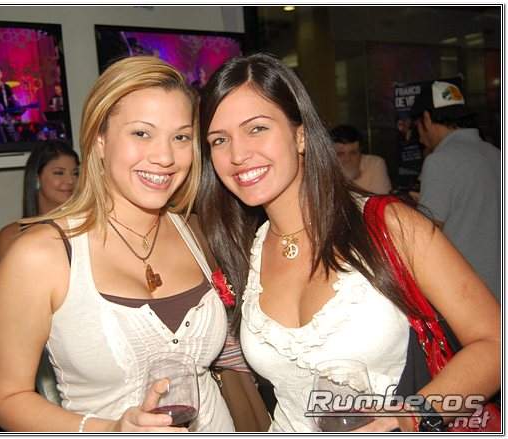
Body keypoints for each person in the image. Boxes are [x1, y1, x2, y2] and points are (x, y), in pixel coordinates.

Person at [195, 54, 499, 432]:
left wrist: (413, 416)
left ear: (300, 135)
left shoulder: (389, 225)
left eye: (256, 128)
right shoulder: (240, 248)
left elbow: (494, 343)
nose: (238, 155)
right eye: (219, 140)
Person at [0, 56, 237, 432]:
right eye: (142, 133)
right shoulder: (41, 255)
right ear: (100, 140)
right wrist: (110, 430)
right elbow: (7, 399)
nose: (165, 157)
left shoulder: (198, 232)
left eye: (181, 137)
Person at [410, 80, 501, 301]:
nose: (419, 138)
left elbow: (428, 233)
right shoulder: (495, 153)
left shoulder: (440, 161)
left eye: (417, 126)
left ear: (427, 118)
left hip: (468, 292)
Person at [0, 141, 80, 265]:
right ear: (37, 177)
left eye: (75, 173)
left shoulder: (83, 229)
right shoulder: (10, 236)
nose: (70, 180)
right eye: (59, 173)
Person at [330, 124, 392, 194]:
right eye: (340, 154)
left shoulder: (375, 164)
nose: (347, 159)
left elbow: (382, 199)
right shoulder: (324, 170)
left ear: (360, 152)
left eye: (353, 153)